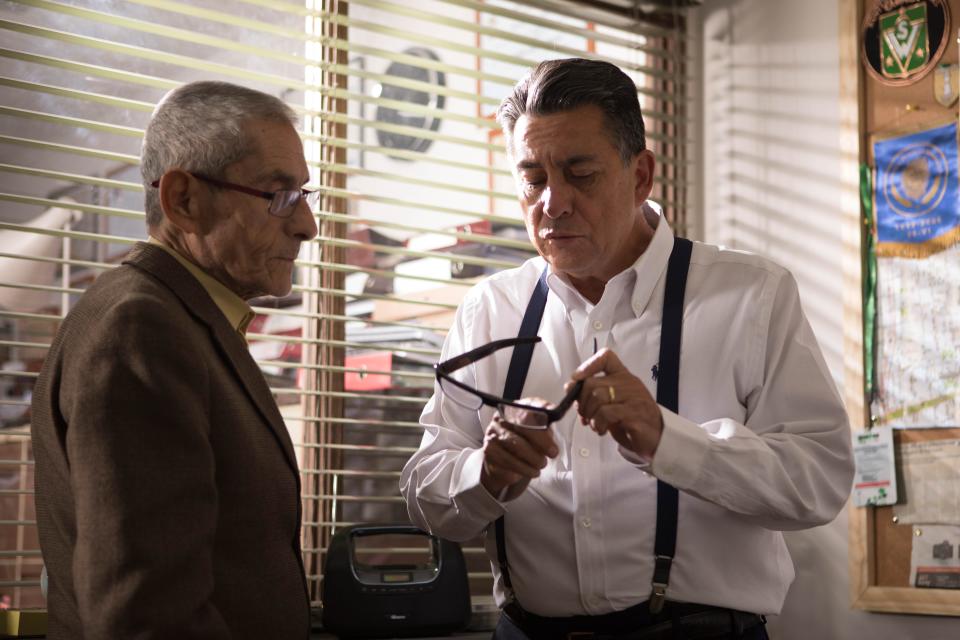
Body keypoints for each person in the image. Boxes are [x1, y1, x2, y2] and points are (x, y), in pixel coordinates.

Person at [400, 58, 854, 639]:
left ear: (641, 176)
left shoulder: (752, 295)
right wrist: (482, 473)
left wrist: (671, 440)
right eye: (532, 178)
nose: (552, 203)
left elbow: (818, 483)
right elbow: (424, 495)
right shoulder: (489, 309)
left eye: (580, 174)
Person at [31, 81, 318, 639]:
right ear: (183, 200)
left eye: (305, 195)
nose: (308, 225)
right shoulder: (140, 328)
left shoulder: (182, 318)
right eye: (280, 195)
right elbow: (145, 615)